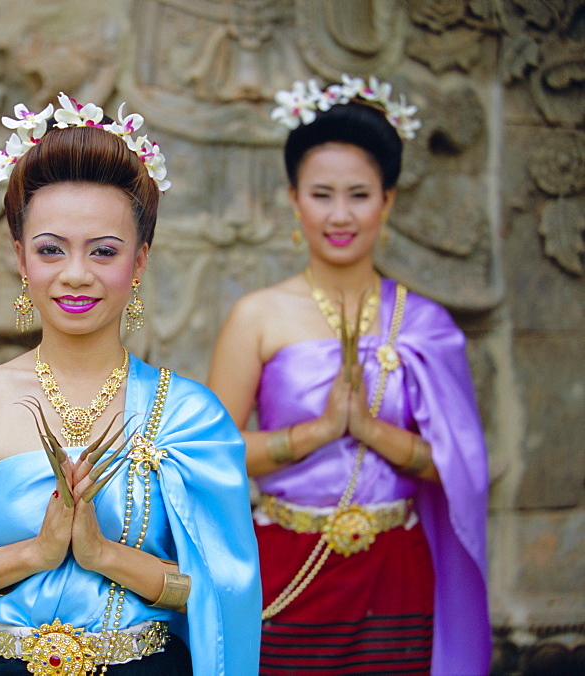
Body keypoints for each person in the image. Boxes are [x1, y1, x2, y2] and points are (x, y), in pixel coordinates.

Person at [0, 93, 261, 675]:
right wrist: (31, 555)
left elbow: (219, 592)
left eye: (103, 251)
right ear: (20, 259)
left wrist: (104, 556)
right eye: (51, 250)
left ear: (139, 261)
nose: (76, 274)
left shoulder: (189, 413)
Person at [208, 75, 490, 675]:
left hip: (395, 566)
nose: (340, 215)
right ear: (293, 198)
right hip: (286, 561)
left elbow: (459, 465)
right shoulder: (257, 316)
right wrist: (317, 432)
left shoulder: (426, 324)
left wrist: (368, 428)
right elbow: (212, 453)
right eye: (322, 194)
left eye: (359, 195)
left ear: (388, 201)